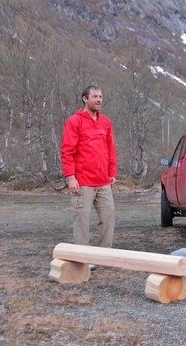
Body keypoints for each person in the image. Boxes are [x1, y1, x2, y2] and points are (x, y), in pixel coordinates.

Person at [60, 84, 117, 248]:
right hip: (82, 181)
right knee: (82, 221)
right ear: (85, 99)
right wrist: (71, 178)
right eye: (95, 97)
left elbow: (110, 149)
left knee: (108, 217)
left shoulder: (105, 122)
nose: (99, 100)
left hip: (103, 181)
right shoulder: (74, 121)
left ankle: (104, 255)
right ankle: (82, 260)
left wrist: (111, 172)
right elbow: (67, 151)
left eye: (100, 97)